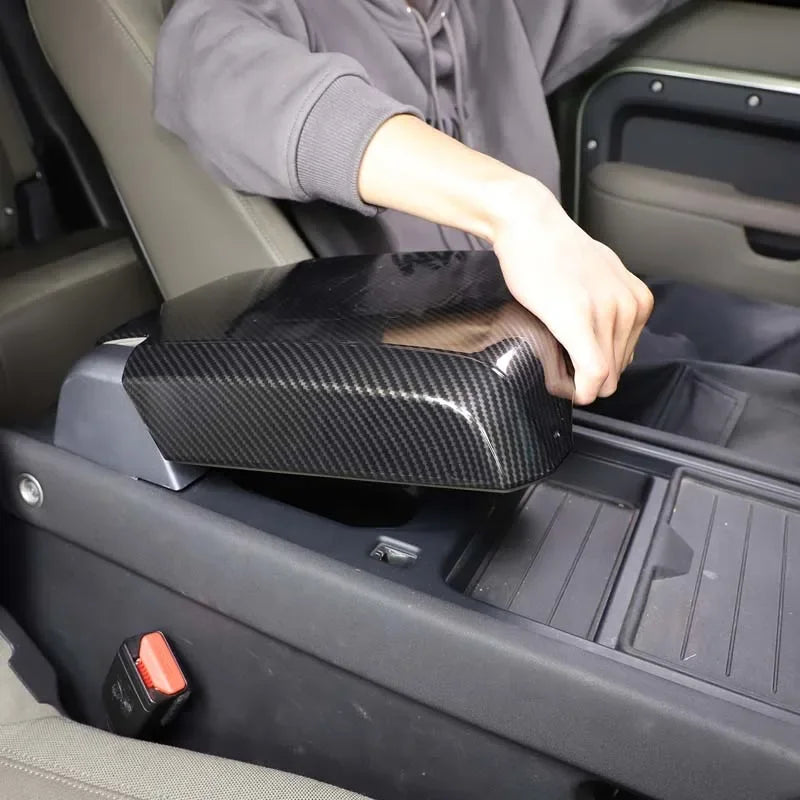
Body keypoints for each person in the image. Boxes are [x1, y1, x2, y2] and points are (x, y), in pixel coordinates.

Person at [153, 0, 694, 407]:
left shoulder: (491, 12)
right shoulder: (242, 17)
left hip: (577, 346)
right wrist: (519, 211)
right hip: (444, 392)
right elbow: (226, 79)